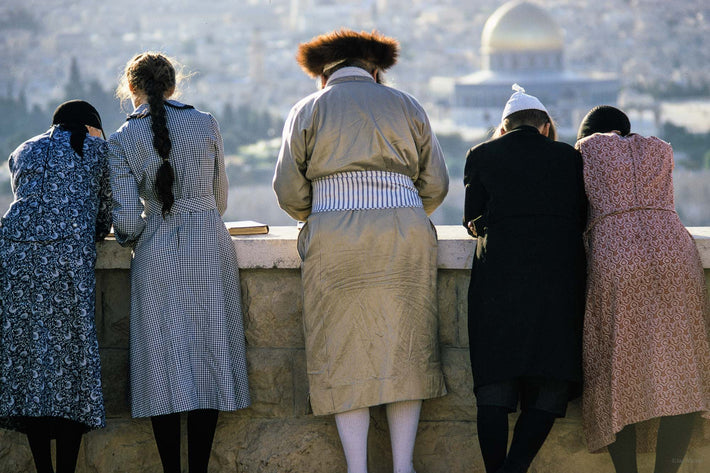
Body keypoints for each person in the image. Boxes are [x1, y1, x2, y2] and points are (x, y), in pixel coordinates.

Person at [273, 29, 449, 473]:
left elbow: (288, 191)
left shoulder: (307, 109)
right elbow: (436, 184)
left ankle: (357, 467)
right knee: (405, 349)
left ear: (325, 73)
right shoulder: (408, 105)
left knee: (342, 348)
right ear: (375, 70)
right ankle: (404, 465)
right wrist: (400, 208)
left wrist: (330, 209)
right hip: (404, 236)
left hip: (335, 237)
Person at [107, 52, 250, 473]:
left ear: (131, 89)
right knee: (209, 356)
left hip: (156, 255)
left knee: (162, 363)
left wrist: (140, 231)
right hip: (209, 244)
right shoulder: (206, 123)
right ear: (173, 86)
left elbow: (128, 223)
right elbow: (220, 200)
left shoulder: (121, 139)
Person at [576, 105, 710, 473]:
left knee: (617, 371)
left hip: (617, 255)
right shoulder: (660, 149)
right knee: (682, 369)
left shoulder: (587, 149)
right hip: (673, 253)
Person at [463, 84, 587, 473]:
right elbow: (581, 216)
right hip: (557, 277)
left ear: (503, 127)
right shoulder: (568, 158)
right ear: (545, 126)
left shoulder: (480, 155)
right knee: (551, 377)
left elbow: (473, 218)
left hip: (499, 276)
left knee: (496, 380)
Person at [0, 100, 112, 473]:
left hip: (16, 262)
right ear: (91, 127)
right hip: (66, 265)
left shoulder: (24, 150)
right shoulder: (98, 150)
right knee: (71, 370)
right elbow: (104, 218)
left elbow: (25, 199)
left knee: (31, 367)